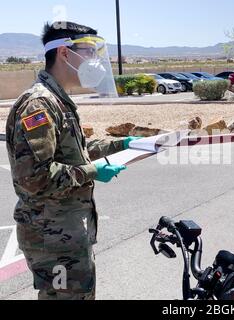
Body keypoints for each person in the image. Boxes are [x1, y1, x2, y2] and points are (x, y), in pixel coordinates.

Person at [6, 21, 139, 300]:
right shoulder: (38, 104)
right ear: (65, 53)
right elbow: (34, 178)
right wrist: (93, 172)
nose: (94, 61)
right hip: (52, 239)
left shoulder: (56, 98)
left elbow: (74, 151)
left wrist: (122, 144)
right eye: (89, 52)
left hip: (64, 235)